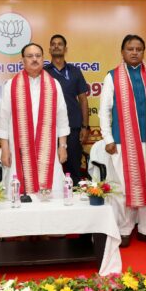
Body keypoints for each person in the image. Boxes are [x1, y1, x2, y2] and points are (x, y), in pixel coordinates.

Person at [99, 34, 146, 247]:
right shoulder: (112, 76)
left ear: (143, 51)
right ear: (122, 52)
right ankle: (125, 228)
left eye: (139, 48)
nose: (135, 52)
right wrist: (108, 138)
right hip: (122, 142)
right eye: (130, 49)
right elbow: (104, 111)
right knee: (125, 186)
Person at [0, 43, 69, 198]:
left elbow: (62, 117)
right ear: (22, 61)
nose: (34, 59)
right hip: (19, 150)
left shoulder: (54, 84)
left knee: (52, 192)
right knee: (18, 192)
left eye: (38, 56)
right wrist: (5, 149)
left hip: (48, 149)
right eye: (30, 56)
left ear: (43, 59)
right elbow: (3, 119)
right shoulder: (11, 85)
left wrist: (62, 146)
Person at [44, 34, 89, 184]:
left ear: (65, 48)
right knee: (49, 167)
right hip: (48, 128)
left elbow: (83, 99)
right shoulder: (43, 72)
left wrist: (85, 126)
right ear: (49, 49)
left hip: (73, 127)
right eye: (53, 44)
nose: (56, 46)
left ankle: (74, 198)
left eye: (60, 44)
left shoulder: (75, 71)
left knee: (73, 167)